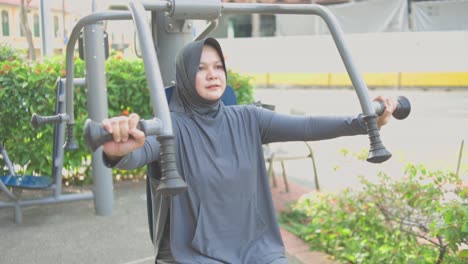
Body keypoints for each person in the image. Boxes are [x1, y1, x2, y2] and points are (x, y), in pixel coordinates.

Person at [101, 37, 397, 264]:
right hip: (196, 253)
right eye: (200, 68)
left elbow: (308, 126)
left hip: (257, 248)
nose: (212, 74)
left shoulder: (248, 118)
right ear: (185, 75)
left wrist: (366, 121)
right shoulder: (170, 127)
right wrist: (118, 152)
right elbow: (139, 152)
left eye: (218, 67)